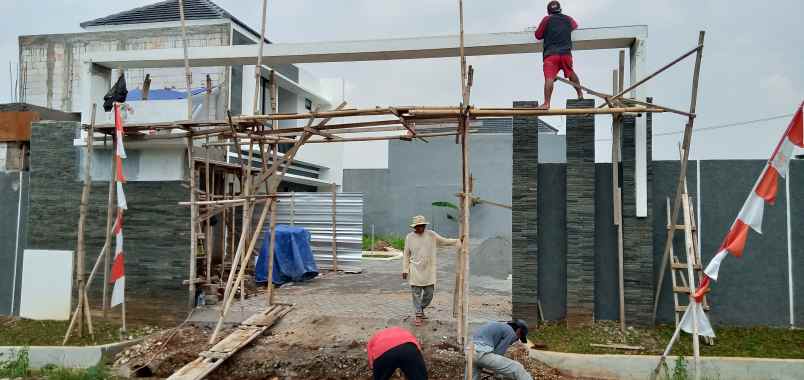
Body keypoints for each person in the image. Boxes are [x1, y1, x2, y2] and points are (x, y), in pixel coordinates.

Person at [402, 215, 459, 326]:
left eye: (422, 226)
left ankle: (421, 308)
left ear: (425, 226)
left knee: (429, 293)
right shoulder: (409, 237)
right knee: (416, 294)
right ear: (414, 227)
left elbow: (444, 241)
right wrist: (405, 269)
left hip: (429, 270)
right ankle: (418, 314)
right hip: (415, 269)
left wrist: (457, 240)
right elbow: (406, 254)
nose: (421, 228)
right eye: (418, 226)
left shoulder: (431, 235)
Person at [534, 0, 584, 109]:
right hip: (566, 54)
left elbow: (538, 35)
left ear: (549, 11)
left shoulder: (547, 19)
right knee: (571, 73)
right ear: (560, 9)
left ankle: (546, 103)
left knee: (549, 78)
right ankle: (580, 93)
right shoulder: (568, 19)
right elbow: (575, 26)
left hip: (551, 55)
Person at [468, 320, 532, 380]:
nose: (517, 340)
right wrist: (498, 374)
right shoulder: (510, 332)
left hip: (470, 352)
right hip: (481, 353)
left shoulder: (500, 326)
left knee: (472, 377)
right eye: (519, 337)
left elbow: (494, 358)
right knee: (517, 368)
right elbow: (498, 354)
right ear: (518, 330)